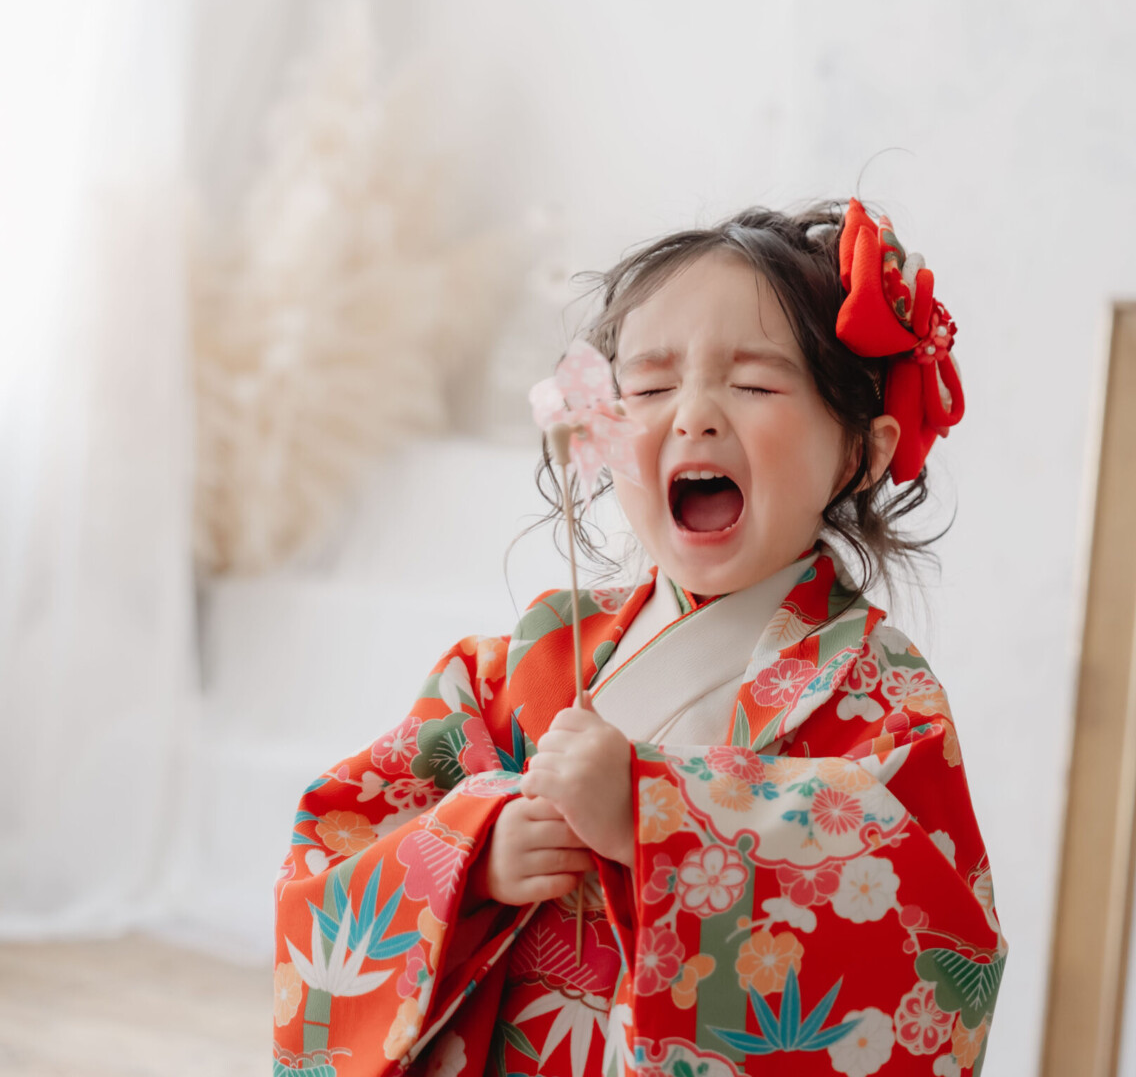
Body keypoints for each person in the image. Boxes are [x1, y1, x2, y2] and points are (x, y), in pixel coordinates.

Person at [272, 201, 1001, 1077]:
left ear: (859, 452)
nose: (692, 415)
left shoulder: (875, 692)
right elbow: (342, 838)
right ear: (602, 431)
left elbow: (929, 938)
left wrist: (656, 813)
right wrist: (470, 856)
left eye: (756, 384)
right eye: (651, 388)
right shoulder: (533, 656)